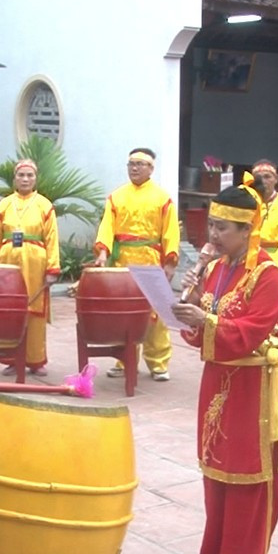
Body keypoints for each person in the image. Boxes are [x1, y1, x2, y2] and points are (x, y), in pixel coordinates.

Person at [173, 177, 278, 554]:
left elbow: (254, 329)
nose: (214, 235)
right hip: (216, 383)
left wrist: (205, 320)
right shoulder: (217, 269)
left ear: (247, 230)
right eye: (212, 226)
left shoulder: (268, 274)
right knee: (215, 473)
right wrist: (187, 305)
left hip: (251, 389)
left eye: (224, 227)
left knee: (248, 478)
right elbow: (200, 327)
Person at [93, 147, 181, 381]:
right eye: (131, 163)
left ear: (151, 168)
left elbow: (171, 232)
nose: (134, 168)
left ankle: (158, 363)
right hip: (123, 262)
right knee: (124, 312)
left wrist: (170, 261)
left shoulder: (163, 198)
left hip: (151, 260)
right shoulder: (116, 196)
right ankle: (124, 359)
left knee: (155, 313)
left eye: (140, 164)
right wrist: (103, 252)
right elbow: (107, 227)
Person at [0, 159, 61, 375]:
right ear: (14, 179)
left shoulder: (45, 205)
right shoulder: (4, 205)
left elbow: (52, 238)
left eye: (30, 176)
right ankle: (10, 358)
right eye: (21, 176)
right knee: (8, 310)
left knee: (35, 310)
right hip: (8, 264)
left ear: (36, 179)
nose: (25, 179)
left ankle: (35, 361)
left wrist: (53, 268)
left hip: (36, 264)